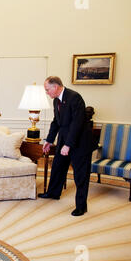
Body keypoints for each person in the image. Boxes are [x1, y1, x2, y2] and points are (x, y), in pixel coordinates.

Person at [39, 76, 93, 216]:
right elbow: (56, 122)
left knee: (80, 175)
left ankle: (81, 206)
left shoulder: (75, 98)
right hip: (64, 138)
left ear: (55, 87)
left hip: (80, 142)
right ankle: (53, 193)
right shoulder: (56, 100)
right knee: (58, 166)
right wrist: (49, 140)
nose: (46, 92)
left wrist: (68, 145)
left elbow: (77, 124)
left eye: (47, 89)